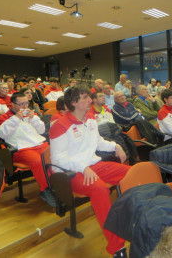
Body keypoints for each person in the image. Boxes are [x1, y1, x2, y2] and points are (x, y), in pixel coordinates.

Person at [49, 85, 130, 257]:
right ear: (73, 103)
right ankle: (117, 248)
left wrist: (116, 146)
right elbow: (57, 159)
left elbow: (99, 143)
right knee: (100, 189)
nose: (90, 100)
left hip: (93, 165)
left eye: (88, 96)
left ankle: (139, 220)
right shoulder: (60, 125)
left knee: (131, 173)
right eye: (85, 97)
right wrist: (82, 167)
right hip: (70, 173)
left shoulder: (91, 119)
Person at [0, 92, 55, 207]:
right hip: (21, 149)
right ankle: (45, 190)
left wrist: (34, 119)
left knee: (56, 156)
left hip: (39, 144)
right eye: (21, 104)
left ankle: (57, 186)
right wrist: (16, 118)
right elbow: (2, 134)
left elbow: (42, 131)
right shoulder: (3, 117)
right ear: (12, 104)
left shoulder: (30, 115)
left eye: (26, 103)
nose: (24, 106)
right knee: (38, 161)